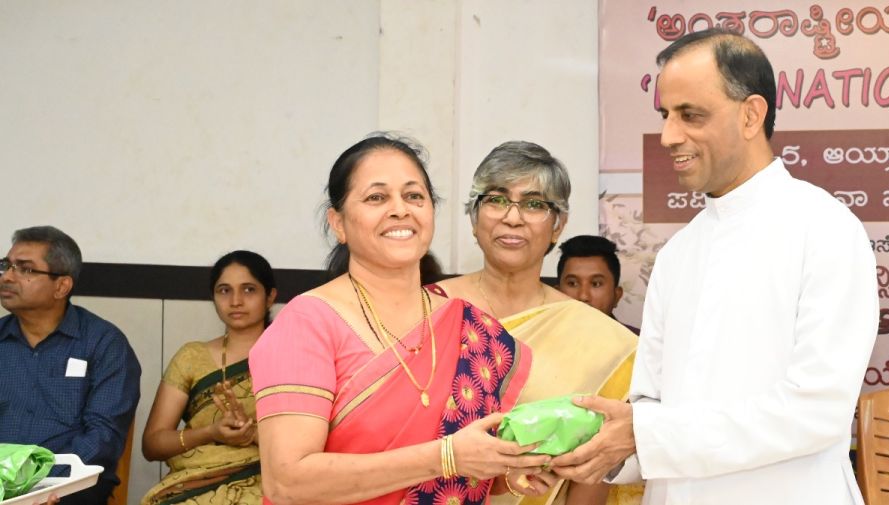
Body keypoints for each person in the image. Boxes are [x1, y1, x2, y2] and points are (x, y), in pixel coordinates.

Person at [550, 29, 878, 505]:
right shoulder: (679, 253)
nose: (668, 136)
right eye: (665, 115)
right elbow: (650, 407)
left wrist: (646, 435)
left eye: (691, 115)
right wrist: (599, 448)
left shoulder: (825, 228)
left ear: (751, 115)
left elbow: (817, 411)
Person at [248, 133, 555, 505]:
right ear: (338, 223)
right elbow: (287, 483)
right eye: (376, 197)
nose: (400, 210)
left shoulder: (472, 328)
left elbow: (467, 469)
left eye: (414, 196)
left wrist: (510, 471)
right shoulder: (308, 324)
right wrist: (444, 457)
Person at [428, 141, 640, 505]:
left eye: (534, 204)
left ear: (558, 226)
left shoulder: (599, 337)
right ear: (474, 218)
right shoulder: (427, 309)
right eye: (496, 199)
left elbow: (592, 471)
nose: (513, 217)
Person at [0, 225, 142, 505]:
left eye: (25, 269)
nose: (7, 277)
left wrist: (37, 485)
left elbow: (103, 436)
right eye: (6, 266)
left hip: (70, 486)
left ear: (62, 286)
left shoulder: (103, 344)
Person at [140, 250, 278, 504]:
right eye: (224, 290)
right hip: (195, 484)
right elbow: (152, 445)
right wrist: (210, 433)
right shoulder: (192, 357)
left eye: (249, 290)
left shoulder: (291, 356)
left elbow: (313, 442)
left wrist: (252, 434)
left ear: (270, 297)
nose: (235, 301)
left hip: (270, 481)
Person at [555, 235, 639, 335]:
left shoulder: (638, 342)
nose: (583, 296)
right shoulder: (540, 339)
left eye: (596, 284)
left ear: (616, 296)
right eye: (572, 283)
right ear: (556, 294)